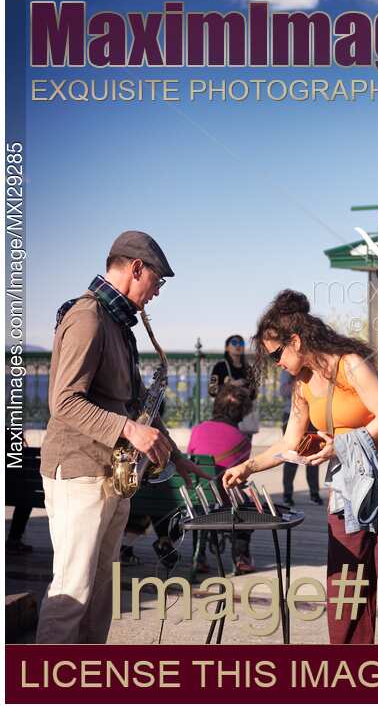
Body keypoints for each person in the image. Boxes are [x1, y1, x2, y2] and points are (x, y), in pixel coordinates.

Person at [223, 290, 378, 644]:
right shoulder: (301, 385)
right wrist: (248, 467)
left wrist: (342, 445)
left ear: (296, 341)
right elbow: (289, 442)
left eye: (276, 354)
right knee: (345, 583)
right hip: (346, 487)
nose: (275, 363)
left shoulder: (351, 364)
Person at [36, 231, 207, 644]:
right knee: (72, 591)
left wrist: (174, 454)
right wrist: (129, 430)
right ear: (136, 268)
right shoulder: (88, 317)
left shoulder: (118, 324)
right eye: (157, 281)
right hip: (79, 472)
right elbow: (63, 401)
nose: (157, 292)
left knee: (101, 593)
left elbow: (138, 403)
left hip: (110, 475)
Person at [187, 384, 256, 574]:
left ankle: (199, 557)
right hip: (225, 501)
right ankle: (241, 557)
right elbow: (239, 478)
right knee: (247, 505)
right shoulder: (243, 440)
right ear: (242, 412)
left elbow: (192, 462)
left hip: (197, 499)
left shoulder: (197, 430)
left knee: (203, 501)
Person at [279, 369, 323, 508]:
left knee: (313, 455)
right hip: (292, 415)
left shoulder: (313, 370)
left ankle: (314, 493)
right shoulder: (288, 370)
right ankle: (287, 494)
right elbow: (283, 392)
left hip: (313, 416)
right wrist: (299, 382)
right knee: (291, 456)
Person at [209, 334, 258, 437]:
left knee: (244, 444)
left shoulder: (248, 369)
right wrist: (230, 385)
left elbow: (254, 393)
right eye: (234, 343)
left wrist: (246, 391)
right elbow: (212, 390)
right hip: (225, 416)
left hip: (244, 415)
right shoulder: (219, 367)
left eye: (241, 343)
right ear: (227, 348)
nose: (238, 345)